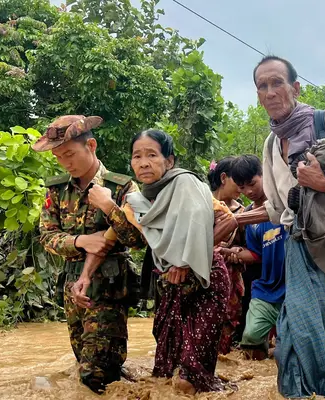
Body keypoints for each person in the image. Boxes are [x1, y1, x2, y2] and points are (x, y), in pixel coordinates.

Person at [235, 55, 325, 399]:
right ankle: (302, 395)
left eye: (277, 83)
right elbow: (276, 209)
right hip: (294, 243)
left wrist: (322, 184)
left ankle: (313, 394)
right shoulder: (270, 144)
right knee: (290, 333)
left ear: (295, 88)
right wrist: (234, 219)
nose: (269, 92)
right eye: (262, 86)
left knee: (312, 332)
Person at [34, 115, 145, 394]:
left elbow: (138, 240)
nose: (65, 162)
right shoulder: (56, 190)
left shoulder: (122, 188)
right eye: (59, 157)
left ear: (91, 145)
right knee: (90, 364)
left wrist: (110, 209)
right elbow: (47, 237)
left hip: (109, 288)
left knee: (94, 374)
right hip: (72, 287)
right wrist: (83, 240)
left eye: (70, 154)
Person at [123, 129, 238, 394]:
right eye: (137, 156)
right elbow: (128, 236)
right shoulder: (139, 201)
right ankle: (222, 387)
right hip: (168, 283)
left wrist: (186, 260)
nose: (143, 163)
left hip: (204, 281)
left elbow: (227, 220)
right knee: (164, 371)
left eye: (152, 155)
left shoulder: (187, 185)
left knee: (189, 378)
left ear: (169, 161)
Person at [222, 155, 287, 360]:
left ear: (264, 175)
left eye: (252, 183)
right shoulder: (248, 216)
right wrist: (233, 253)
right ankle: (261, 373)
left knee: (291, 344)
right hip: (266, 288)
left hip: (294, 286)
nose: (248, 192)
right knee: (250, 339)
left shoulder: (285, 202)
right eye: (241, 187)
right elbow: (257, 254)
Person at [208, 157, 247, 354]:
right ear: (223, 177)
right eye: (238, 180)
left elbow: (246, 246)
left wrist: (235, 252)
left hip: (231, 276)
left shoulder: (244, 212)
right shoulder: (203, 203)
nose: (243, 186)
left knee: (228, 322)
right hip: (203, 273)